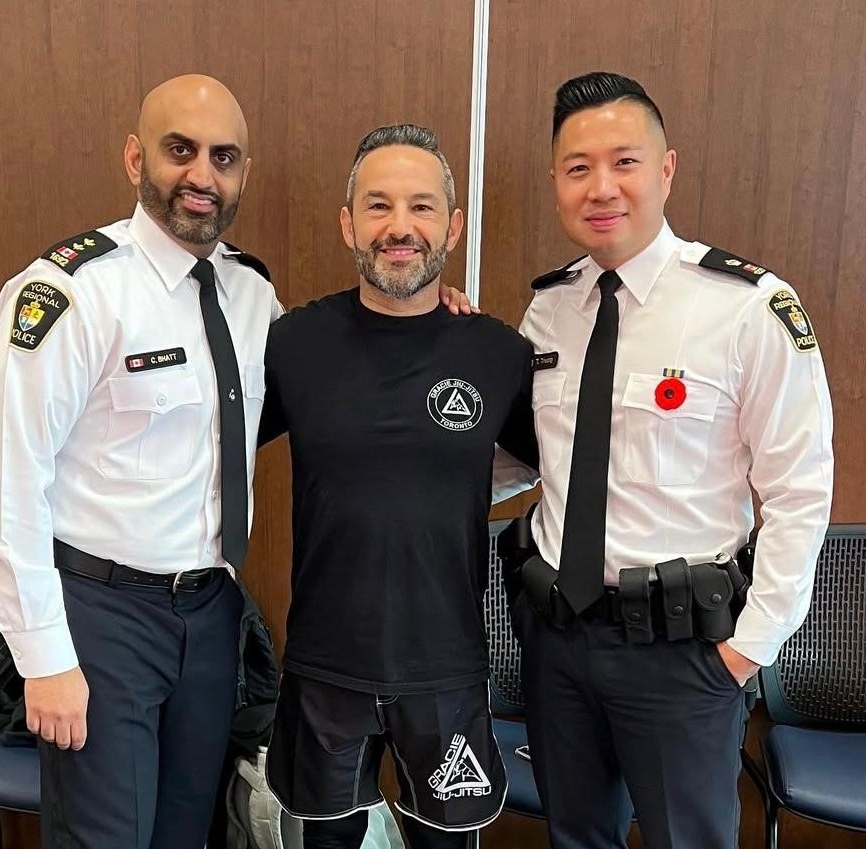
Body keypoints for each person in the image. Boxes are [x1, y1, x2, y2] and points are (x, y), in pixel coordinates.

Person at [494, 72, 834, 849]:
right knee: (575, 837)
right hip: (558, 640)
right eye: (578, 168)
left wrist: (746, 651)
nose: (601, 187)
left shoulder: (746, 307)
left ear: (667, 169)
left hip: (682, 655)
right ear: (556, 182)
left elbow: (800, 490)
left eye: (625, 161)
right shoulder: (549, 308)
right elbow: (530, 458)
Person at [0, 74, 280, 849]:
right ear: (136, 157)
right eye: (181, 150)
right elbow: (10, 478)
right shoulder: (73, 291)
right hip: (103, 619)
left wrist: (430, 317)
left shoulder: (250, 293)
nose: (202, 175)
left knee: (186, 833)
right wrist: (44, 656)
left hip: (211, 614)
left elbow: (328, 379)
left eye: (223, 157)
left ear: (243, 173)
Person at [259, 124, 538, 849]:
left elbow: (549, 464)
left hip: (445, 665)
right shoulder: (292, 344)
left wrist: (451, 483)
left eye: (421, 206)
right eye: (378, 206)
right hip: (325, 663)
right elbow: (209, 448)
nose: (400, 226)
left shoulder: (499, 353)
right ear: (348, 223)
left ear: (453, 225)